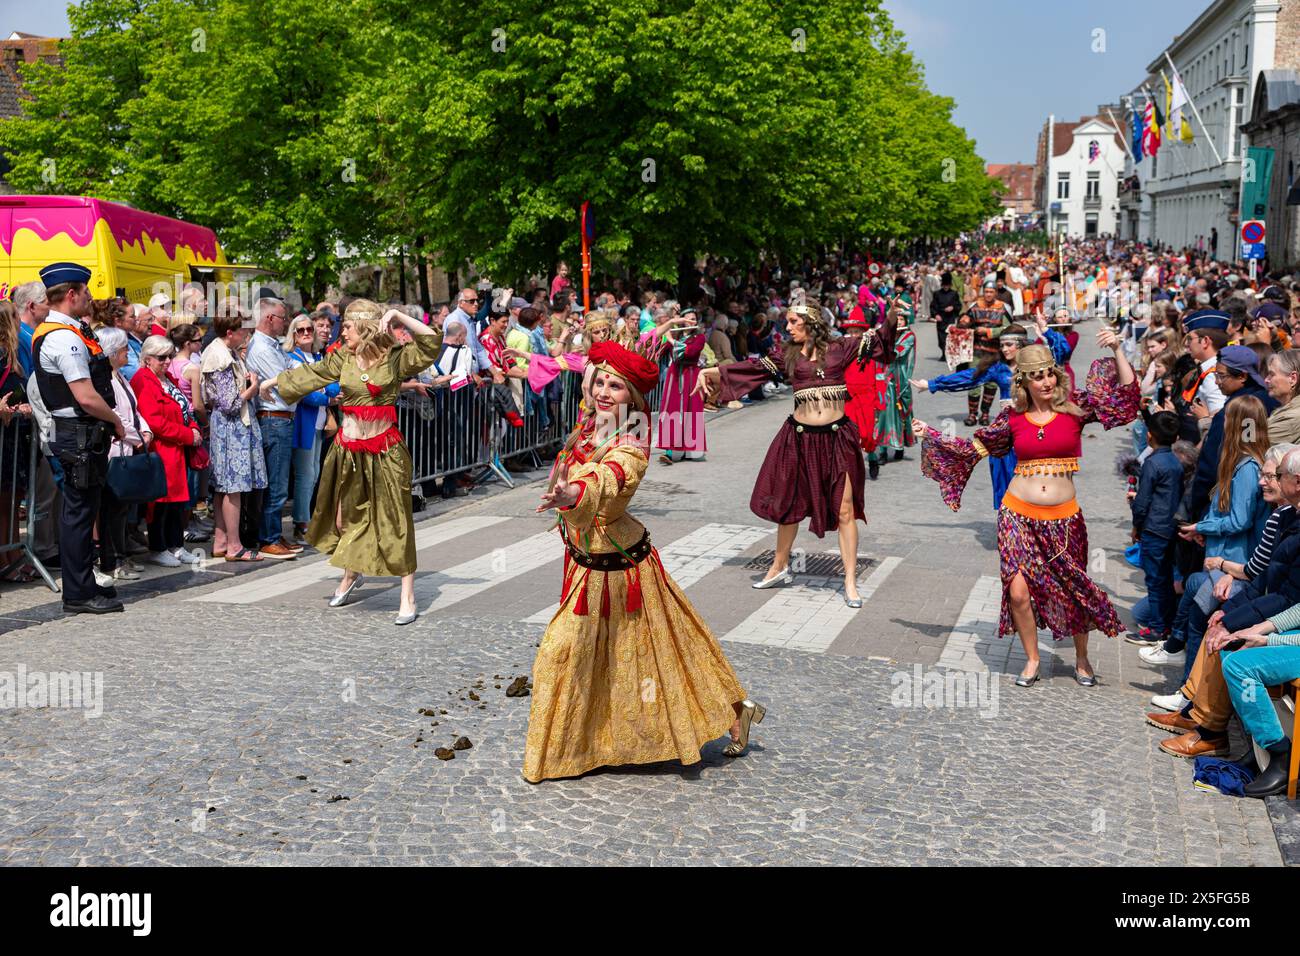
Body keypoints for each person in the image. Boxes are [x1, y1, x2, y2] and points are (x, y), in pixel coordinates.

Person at [523, 340, 763, 782]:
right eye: (601, 382)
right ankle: (733, 711)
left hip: (616, 571)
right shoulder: (589, 423)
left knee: (562, 653)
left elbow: (606, 482)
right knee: (657, 656)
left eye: (616, 386)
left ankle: (567, 752)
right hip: (589, 563)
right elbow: (589, 375)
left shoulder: (630, 445)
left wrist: (570, 494)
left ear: (632, 397)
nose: (604, 391)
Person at [913, 328, 1139, 687]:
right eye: (1037, 376)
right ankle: (1032, 658)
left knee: (1073, 587)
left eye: (1049, 373)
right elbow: (973, 450)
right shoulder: (1012, 418)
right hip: (1017, 514)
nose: (1046, 381)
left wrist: (1118, 349)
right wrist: (933, 434)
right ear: (1023, 382)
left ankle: (1081, 658)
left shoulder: (1076, 407)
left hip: (1064, 520)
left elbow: (1126, 401)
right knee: (1018, 591)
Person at [697, 296, 896, 606]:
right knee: (789, 507)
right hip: (799, 438)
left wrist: (893, 315)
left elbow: (880, 339)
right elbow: (750, 369)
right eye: (787, 321)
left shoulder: (840, 348)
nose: (787, 327)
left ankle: (850, 580)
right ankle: (778, 566)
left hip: (837, 440)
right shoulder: (787, 356)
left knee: (845, 511)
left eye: (793, 322)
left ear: (812, 323)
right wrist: (711, 373)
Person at [260, 299, 442, 626]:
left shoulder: (396, 357)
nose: (339, 330)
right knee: (346, 520)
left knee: (394, 522)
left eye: (347, 325)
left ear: (366, 327)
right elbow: (312, 373)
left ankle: (407, 595)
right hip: (348, 449)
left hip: (386, 451)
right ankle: (352, 573)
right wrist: (273, 382)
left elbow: (430, 340)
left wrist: (398, 316)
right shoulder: (343, 357)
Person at [31, 263, 125, 614]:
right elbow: (85, 396)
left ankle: (83, 584)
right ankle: (78, 593)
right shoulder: (63, 337)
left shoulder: (70, 331)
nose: (90, 296)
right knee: (79, 513)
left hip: (82, 433)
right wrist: (116, 420)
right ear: (71, 295)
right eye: (85, 291)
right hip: (78, 434)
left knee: (84, 510)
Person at [912, 318, 1071, 510]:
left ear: (1020, 344)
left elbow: (1062, 351)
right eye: (1002, 345)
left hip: (1034, 427)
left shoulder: (1036, 364)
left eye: (1009, 345)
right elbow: (969, 377)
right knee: (1005, 476)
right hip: (1007, 429)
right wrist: (931, 384)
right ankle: (1010, 521)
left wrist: (1046, 330)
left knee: (1037, 479)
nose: (1004, 349)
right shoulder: (999, 369)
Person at [131, 335, 202, 568]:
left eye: (170, 356)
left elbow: (183, 407)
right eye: (161, 358)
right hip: (162, 450)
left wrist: (192, 428)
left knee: (176, 503)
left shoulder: (167, 378)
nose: (167, 361)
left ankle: (175, 545)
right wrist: (187, 435)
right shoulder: (143, 380)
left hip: (176, 450)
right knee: (160, 503)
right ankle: (158, 547)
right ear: (147, 359)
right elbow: (154, 421)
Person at [201, 311, 267, 562]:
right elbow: (230, 403)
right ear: (230, 332)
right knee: (234, 487)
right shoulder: (220, 356)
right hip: (231, 427)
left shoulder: (221, 351)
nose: (246, 335)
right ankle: (235, 545)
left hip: (227, 425)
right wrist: (253, 387)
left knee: (222, 487)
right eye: (243, 331)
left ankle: (221, 541)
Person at [244, 295, 302, 560]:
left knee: (279, 481)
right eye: (282, 317)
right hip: (274, 418)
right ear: (269, 318)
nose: (285, 322)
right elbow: (288, 382)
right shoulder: (263, 348)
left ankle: (274, 533)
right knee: (276, 483)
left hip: (282, 418)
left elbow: (294, 367)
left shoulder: (273, 345)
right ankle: (268, 538)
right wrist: (306, 380)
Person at [94, 326, 152, 583]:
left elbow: (133, 409)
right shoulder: (105, 379)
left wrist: (145, 431)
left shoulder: (120, 378)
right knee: (112, 509)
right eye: (124, 348)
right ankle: (111, 560)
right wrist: (137, 436)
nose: (128, 352)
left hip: (127, 448)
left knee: (122, 509)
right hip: (115, 451)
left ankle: (121, 554)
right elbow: (114, 415)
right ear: (112, 352)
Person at [1129, 411, 1185, 645]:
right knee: (1164, 578)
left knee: (1154, 580)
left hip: (1153, 528)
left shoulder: (1152, 463)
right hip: (1171, 527)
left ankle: (1156, 629)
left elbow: (1142, 502)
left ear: (1150, 436)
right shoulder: (1176, 462)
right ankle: (1166, 625)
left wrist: (1136, 526)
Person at [285, 314, 339, 547]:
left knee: (314, 472)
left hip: (318, 422)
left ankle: (308, 521)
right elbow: (305, 392)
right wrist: (327, 397)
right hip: (303, 422)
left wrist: (325, 393)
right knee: (305, 475)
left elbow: (334, 383)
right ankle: (301, 524)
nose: (306, 333)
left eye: (309, 329)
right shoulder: (292, 357)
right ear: (293, 335)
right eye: (301, 330)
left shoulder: (318, 356)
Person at [956, 280, 1011, 425]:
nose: (988, 294)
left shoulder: (1002, 308)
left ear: (995, 293)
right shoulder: (975, 306)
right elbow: (965, 321)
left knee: (991, 384)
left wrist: (989, 331)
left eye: (991, 292)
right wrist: (964, 321)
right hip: (977, 350)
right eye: (986, 291)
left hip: (994, 352)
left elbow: (1008, 329)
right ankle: (972, 414)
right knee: (974, 381)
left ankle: (985, 414)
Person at [1264, 348, 1300, 444]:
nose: (1266, 380)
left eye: (1271, 374)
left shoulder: (1292, 418)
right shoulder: (1288, 410)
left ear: (1292, 379)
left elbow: (1249, 444)